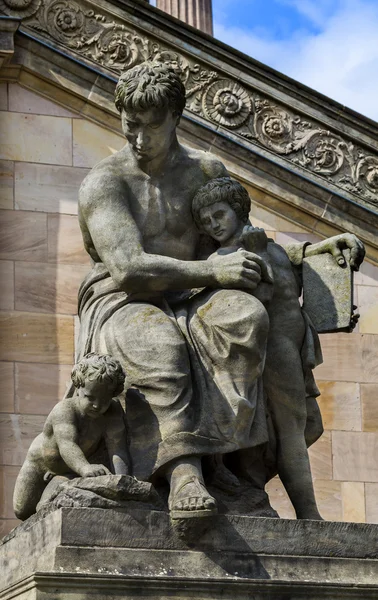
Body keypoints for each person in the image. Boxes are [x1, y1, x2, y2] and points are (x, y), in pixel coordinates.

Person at [76, 60, 365, 520]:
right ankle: (185, 472)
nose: (139, 139)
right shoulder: (105, 183)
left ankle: (237, 475)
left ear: (177, 118)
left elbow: (240, 240)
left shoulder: (206, 171)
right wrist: (215, 275)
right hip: (122, 299)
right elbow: (130, 269)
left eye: (153, 127)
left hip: (194, 294)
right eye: (131, 126)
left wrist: (309, 253)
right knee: (159, 342)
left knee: (247, 318)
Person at [192, 177, 324, 519]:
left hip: (295, 346)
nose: (213, 225)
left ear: (239, 209)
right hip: (273, 349)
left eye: (218, 215)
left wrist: (331, 245)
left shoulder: (267, 245)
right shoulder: (226, 257)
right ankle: (309, 514)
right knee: (292, 431)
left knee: (304, 427)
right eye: (206, 221)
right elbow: (258, 299)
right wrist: (255, 252)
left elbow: (294, 262)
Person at [13, 354, 129, 521]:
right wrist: (85, 468)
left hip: (69, 471)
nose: (97, 405)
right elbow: (67, 445)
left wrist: (122, 481)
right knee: (21, 510)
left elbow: (118, 449)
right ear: (78, 388)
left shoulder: (113, 412)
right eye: (90, 397)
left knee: (45, 507)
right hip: (40, 464)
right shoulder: (65, 410)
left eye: (105, 400)